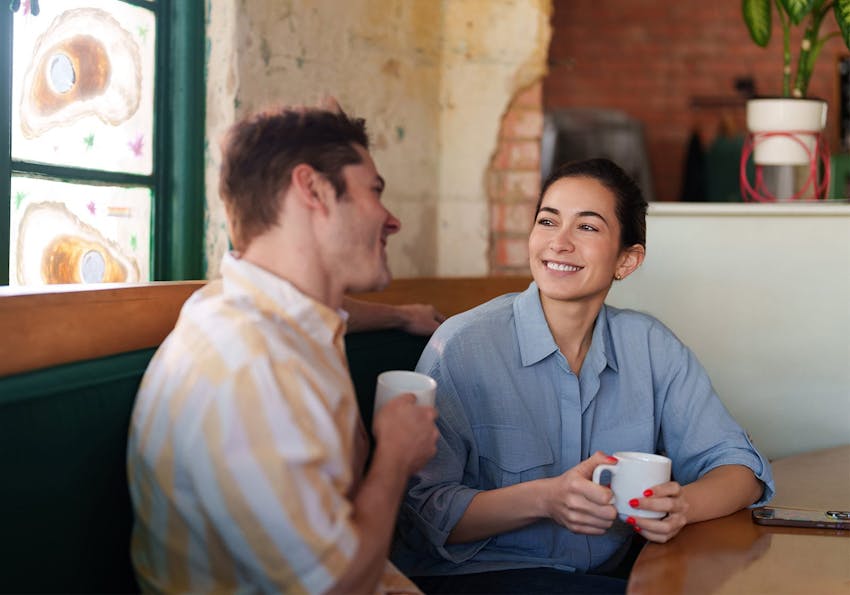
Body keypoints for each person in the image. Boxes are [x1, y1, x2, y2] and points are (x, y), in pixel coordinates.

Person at [393, 158, 775, 594]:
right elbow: (420, 513)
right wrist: (545, 499)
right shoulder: (463, 346)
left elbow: (741, 469)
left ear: (626, 261)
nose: (559, 242)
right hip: (478, 576)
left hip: (611, 575)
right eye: (547, 221)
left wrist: (683, 506)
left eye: (587, 227)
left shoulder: (649, 345)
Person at [126, 104, 440, 593]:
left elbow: (331, 313)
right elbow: (337, 588)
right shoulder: (255, 371)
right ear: (312, 189)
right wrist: (395, 456)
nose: (391, 220)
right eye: (375, 191)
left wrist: (401, 315)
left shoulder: (237, 304)